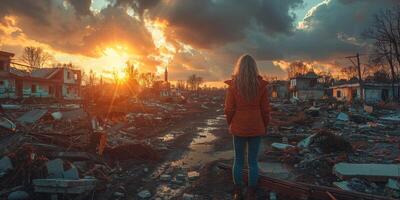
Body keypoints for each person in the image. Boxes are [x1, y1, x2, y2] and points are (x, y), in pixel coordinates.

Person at [224, 54, 270, 200]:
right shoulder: (261, 86)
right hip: (256, 126)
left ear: (239, 67)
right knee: (252, 162)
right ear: (254, 68)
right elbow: (265, 110)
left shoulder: (233, 85)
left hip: (238, 127)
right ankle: (251, 193)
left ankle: (238, 192)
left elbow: (229, 109)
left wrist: (230, 123)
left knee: (238, 160)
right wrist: (265, 125)